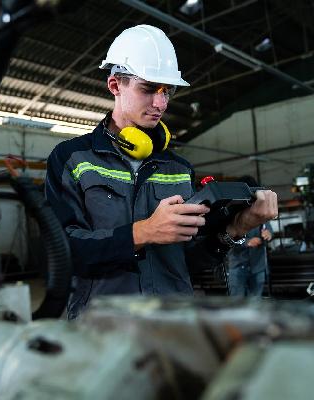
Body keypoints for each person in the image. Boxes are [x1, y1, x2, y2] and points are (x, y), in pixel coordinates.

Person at [45, 25, 277, 319]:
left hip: (172, 326)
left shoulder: (178, 168)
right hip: (102, 329)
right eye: (148, 89)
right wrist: (142, 232)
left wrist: (235, 229)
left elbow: (187, 261)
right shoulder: (72, 159)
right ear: (115, 85)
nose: (161, 103)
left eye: (167, 91)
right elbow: (62, 253)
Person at [227, 176, 274, 297]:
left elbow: (268, 229)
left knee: (255, 301)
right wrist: (246, 242)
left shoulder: (259, 211)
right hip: (238, 265)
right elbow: (226, 237)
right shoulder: (231, 213)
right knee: (237, 303)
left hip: (257, 265)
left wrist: (268, 233)